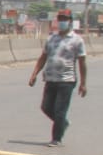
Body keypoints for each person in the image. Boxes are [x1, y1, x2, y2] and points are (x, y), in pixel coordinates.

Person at [28, 8, 86, 147]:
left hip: (66, 80)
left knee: (60, 110)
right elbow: (43, 57)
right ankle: (63, 123)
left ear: (70, 21)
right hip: (50, 79)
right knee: (46, 107)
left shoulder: (77, 40)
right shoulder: (51, 38)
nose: (62, 21)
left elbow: (82, 63)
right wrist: (34, 74)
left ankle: (56, 138)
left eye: (64, 19)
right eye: (60, 19)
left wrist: (83, 83)